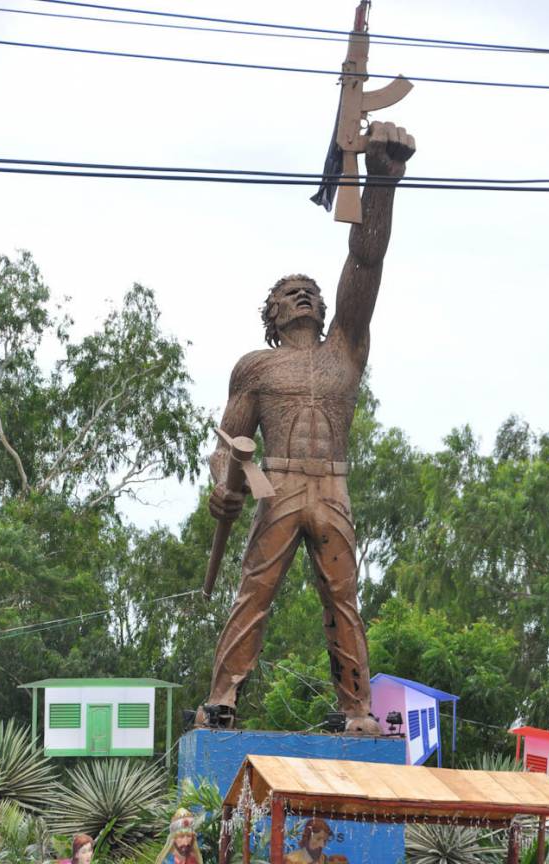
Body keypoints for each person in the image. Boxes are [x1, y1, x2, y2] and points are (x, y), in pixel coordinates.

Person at [198, 121, 415, 735]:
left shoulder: (345, 348)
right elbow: (227, 442)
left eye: (309, 291)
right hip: (280, 486)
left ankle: (356, 710)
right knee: (255, 595)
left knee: (342, 600)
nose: (303, 296)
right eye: (289, 293)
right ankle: (222, 701)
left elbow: (365, 261)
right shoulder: (256, 366)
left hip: (334, 487)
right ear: (269, 314)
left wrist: (382, 183)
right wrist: (222, 484)